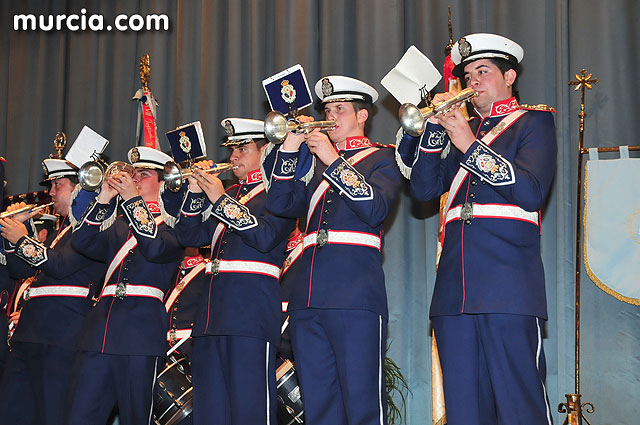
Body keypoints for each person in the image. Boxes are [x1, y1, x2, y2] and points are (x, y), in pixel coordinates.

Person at [397, 33, 556, 425]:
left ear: (510, 77)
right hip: (454, 295)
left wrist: (467, 142)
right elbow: (423, 189)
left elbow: (531, 191)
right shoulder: (463, 134)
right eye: (467, 75)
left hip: (508, 289)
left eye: (483, 71)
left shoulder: (533, 122)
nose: (472, 82)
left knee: (521, 408)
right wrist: (435, 130)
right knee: (465, 411)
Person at [264, 75, 403, 425]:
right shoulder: (314, 168)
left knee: (362, 405)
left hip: (354, 296)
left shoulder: (382, 159)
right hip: (307, 298)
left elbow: (376, 210)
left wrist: (333, 159)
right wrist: (291, 149)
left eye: (340, 109)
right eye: (326, 109)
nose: (330, 116)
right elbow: (280, 203)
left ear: (362, 116)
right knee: (319, 404)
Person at [169, 118, 294, 425]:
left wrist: (219, 200)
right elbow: (189, 236)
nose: (233, 157)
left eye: (242, 149)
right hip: (211, 318)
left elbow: (265, 236)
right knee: (211, 412)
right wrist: (197, 193)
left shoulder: (279, 193)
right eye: (231, 150)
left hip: (250, 317)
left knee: (250, 410)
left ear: (265, 149)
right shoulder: (231, 193)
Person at [66, 146, 184, 425]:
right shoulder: (118, 224)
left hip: (139, 334)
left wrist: (132, 199)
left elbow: (154, 248)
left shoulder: (175, 224)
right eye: (133, 174)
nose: (134, 179)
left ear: (162, 181)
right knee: (80, 416)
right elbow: (81, 242)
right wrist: (105, 198)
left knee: (135, 417)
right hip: (100, 332)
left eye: (143, 174)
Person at [0, 158, 105, 425]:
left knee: (52, 415)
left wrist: (21, 237)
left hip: (61, 337)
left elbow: (60, 266)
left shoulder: (92, 231)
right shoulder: (61, 231)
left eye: (58, 185)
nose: (51, 193)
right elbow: (19, 271)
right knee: (12, 412)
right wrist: (10, 237)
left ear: (80, 189)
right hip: (29, 334)